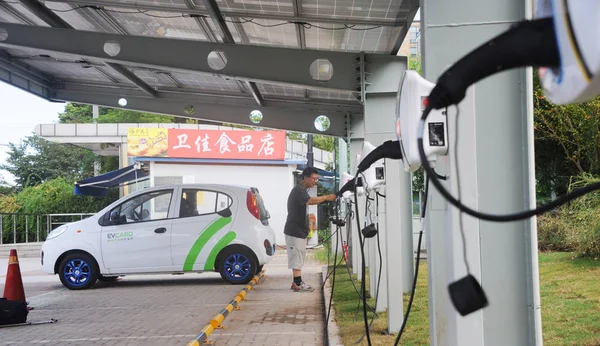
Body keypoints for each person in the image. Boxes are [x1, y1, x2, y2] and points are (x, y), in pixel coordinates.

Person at [284, 167, 336, 292]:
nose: (315, 181)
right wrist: (326, 197)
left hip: (299, 231)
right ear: (306, 177)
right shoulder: (299, 191)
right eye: (314, 178)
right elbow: (310, 201)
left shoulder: (302, 190)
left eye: (317, 179)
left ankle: (297, 282)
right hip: (294, 230)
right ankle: (297, 283)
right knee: (296, 256)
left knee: (299, 256)